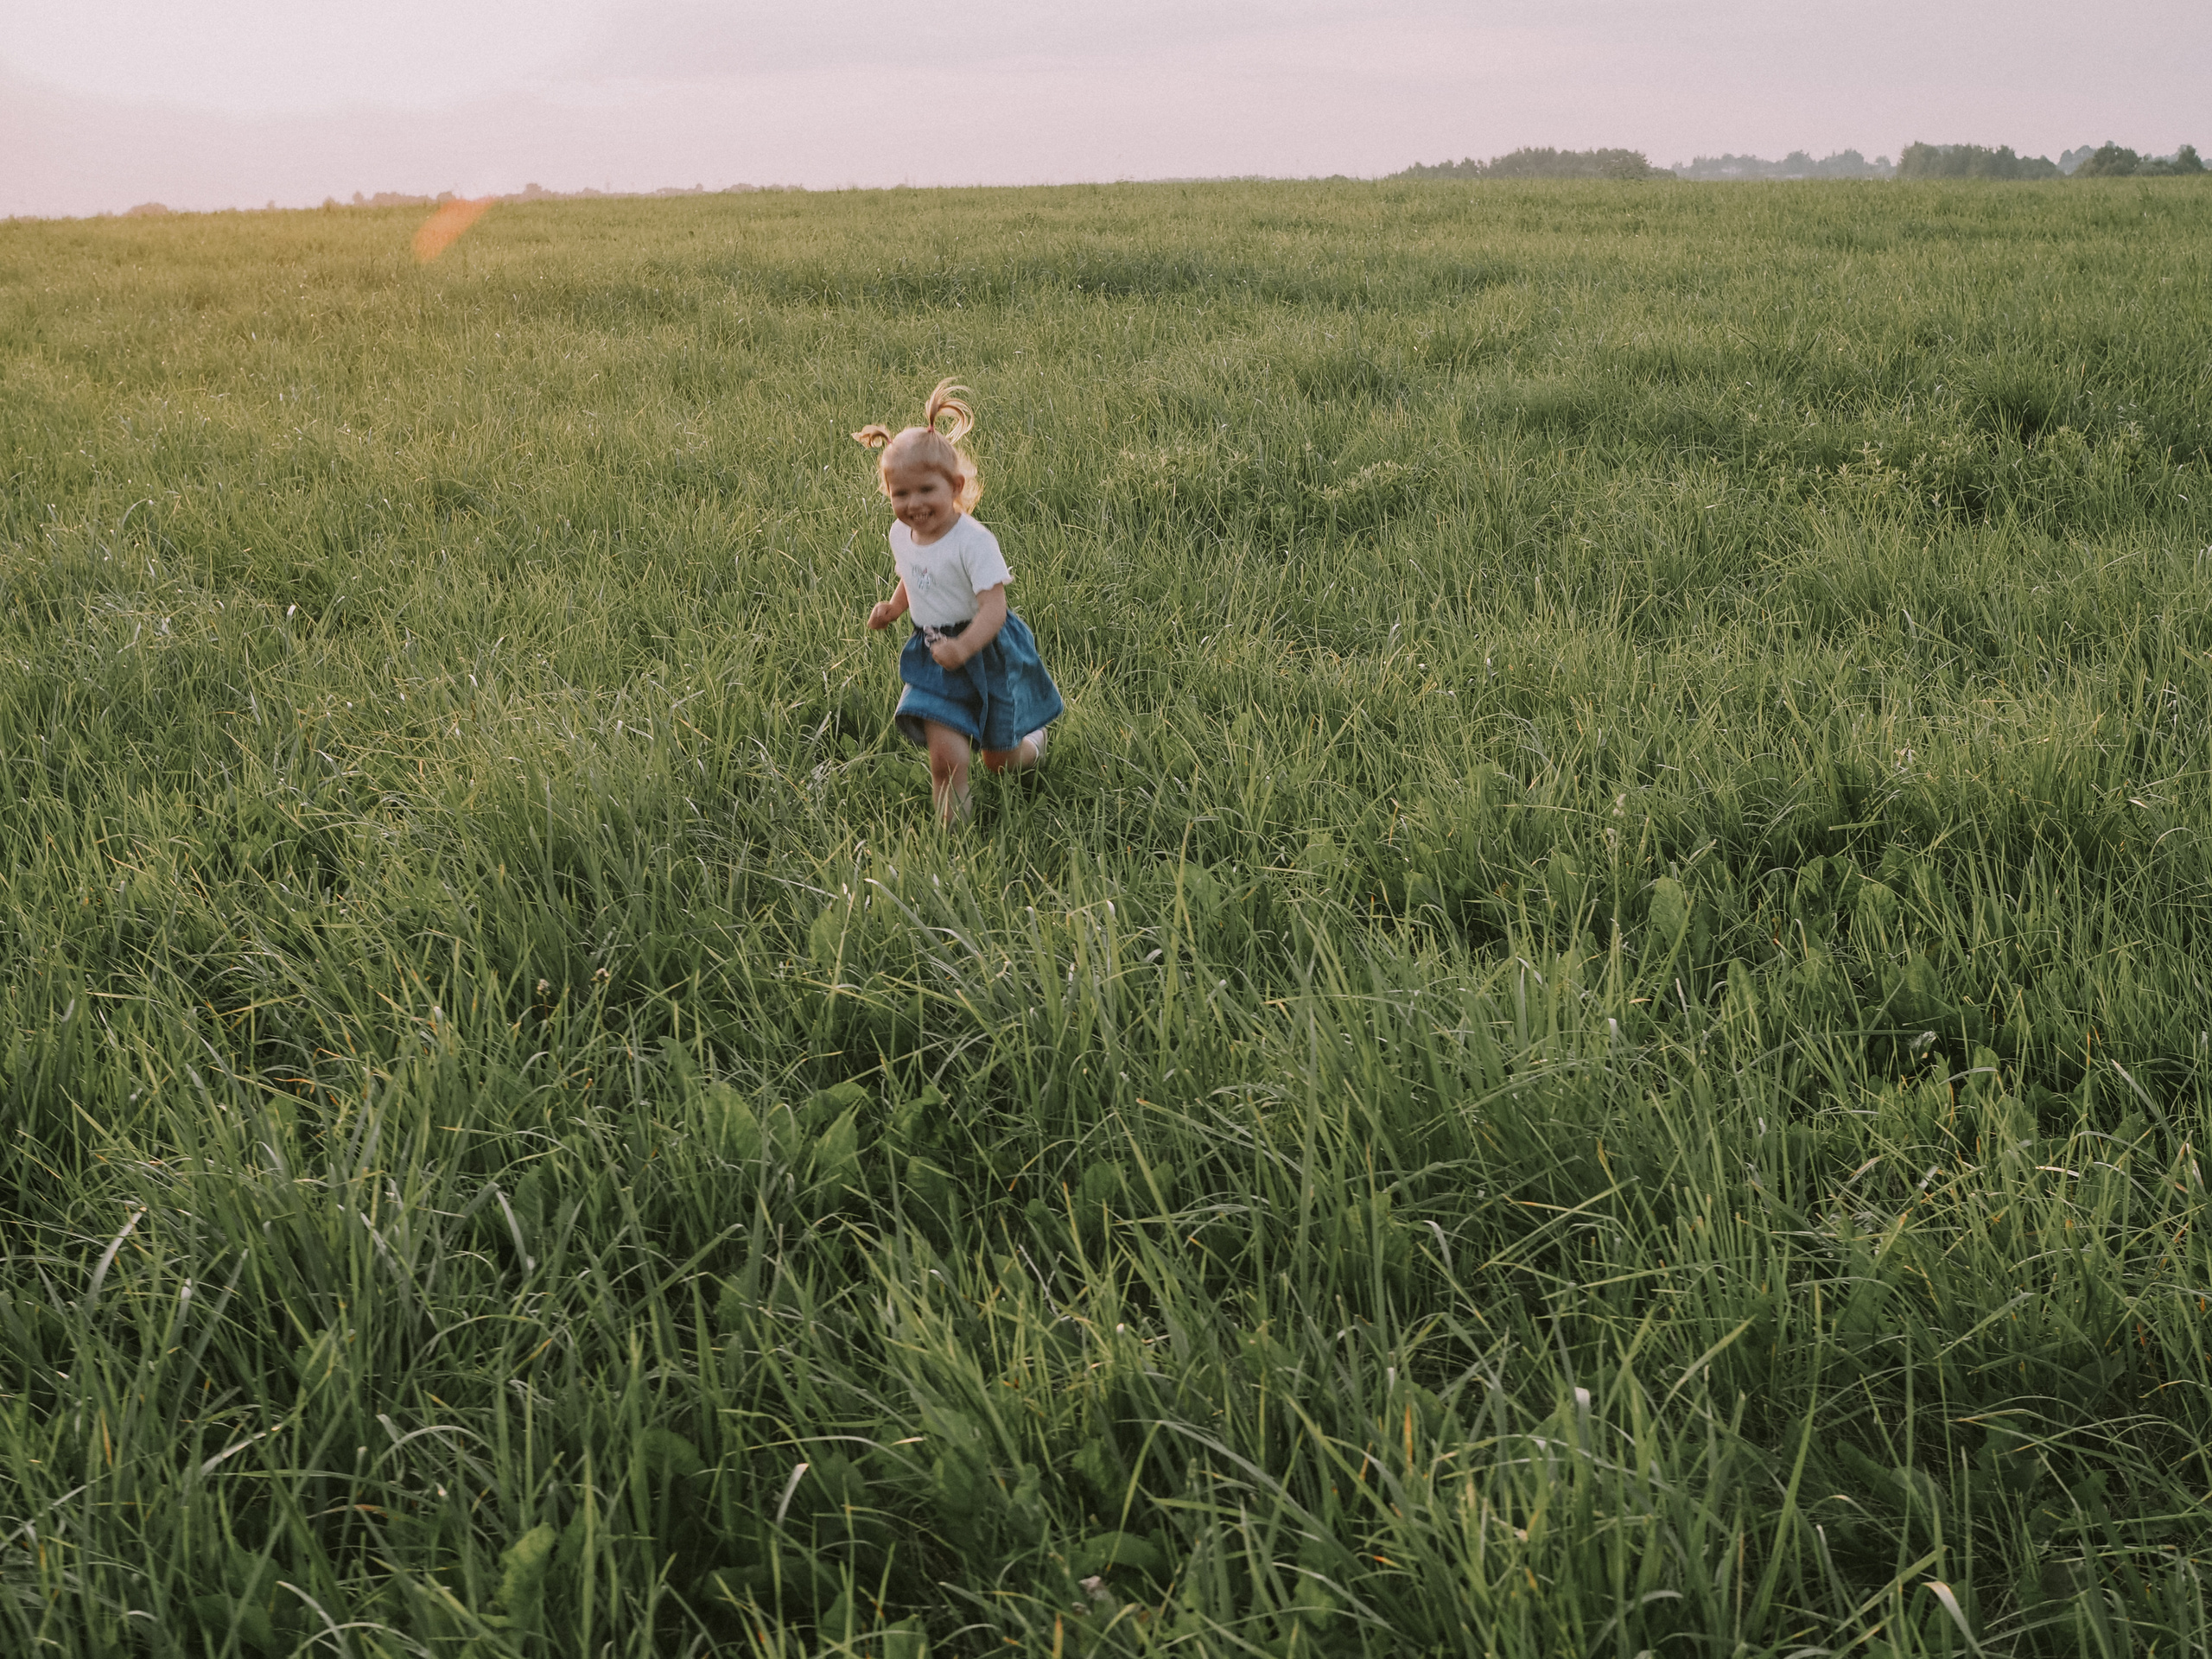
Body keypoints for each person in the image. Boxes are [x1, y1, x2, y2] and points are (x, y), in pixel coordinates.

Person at [857, 379, 1063, 825]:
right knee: (947, 763)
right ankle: (955, 850)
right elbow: (915, 576)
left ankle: (1034, 744)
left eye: (925, 490)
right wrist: (894, 608)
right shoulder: (901, 534)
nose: (913, 504)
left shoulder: (973, 541)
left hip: (986, 651)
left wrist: (964, 647)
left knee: (1000, 760)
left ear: (954, 485)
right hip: (933, 654)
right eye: (900, 494)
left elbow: (995, 609)